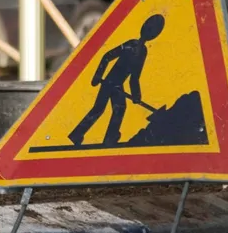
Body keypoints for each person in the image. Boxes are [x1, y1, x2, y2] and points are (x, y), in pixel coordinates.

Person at [68, 14, 165, 147]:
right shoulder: (131, 44)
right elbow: (107, 56)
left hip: (117, 85)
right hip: (109, 82)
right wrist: (97, 75)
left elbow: (134, 77)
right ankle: (81, 135)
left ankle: (107, 138)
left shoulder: (142, 51)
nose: (150, 33)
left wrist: (136, 95)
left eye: (153, 31)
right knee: (100, 109)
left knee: (117, 109)